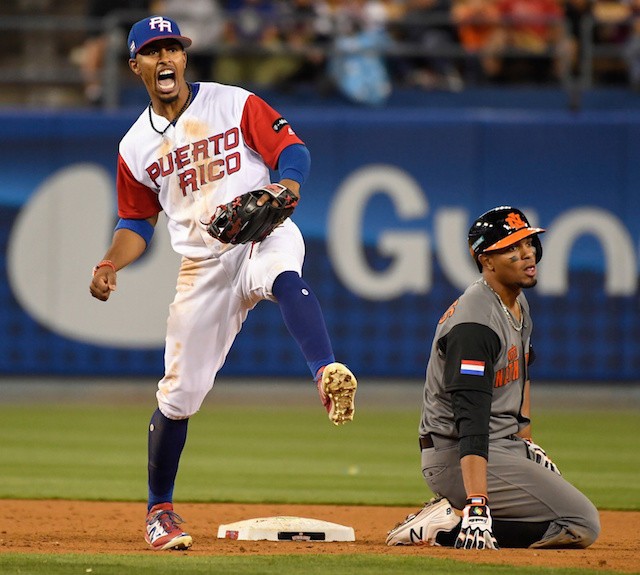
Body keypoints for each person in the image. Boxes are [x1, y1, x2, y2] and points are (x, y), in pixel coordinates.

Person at [89, 15, 357, 551]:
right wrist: (110, 264)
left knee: (283, 273)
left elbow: (294, 151)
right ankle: (159, 510)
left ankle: (326, 370)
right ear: (134, 65)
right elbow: (137, 224)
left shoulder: (232, 103)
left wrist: (287, 184)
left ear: (185, 58)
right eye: (152, 51)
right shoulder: (134, 146)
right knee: (179, 395)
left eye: (173, 49)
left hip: (263, 233)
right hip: (203, 267)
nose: (165, 58)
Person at [385, 206, 600, 549]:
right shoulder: (476, 323)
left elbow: (523, 372)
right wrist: (477, 502)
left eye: (528, 242)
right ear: (487, 261)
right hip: (457, 454)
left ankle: (453, 515)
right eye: (513, 248)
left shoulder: (516, 302)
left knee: (564, 515)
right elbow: (470, 416)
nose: (527, 253)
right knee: (580, 523)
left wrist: (526, 441)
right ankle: (446, 525)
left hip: (502, 446)